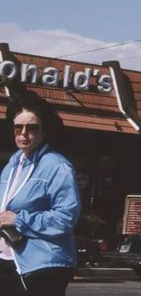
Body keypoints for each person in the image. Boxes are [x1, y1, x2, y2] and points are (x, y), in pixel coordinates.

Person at [0, 92, 80, 296]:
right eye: (18, 127)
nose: (23, 133)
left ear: (44, 132)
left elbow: (66, 217)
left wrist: (19, 220)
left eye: (32, 127)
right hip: (10, 260)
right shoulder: (12, 166)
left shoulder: (57, 166)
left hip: (44, 265)